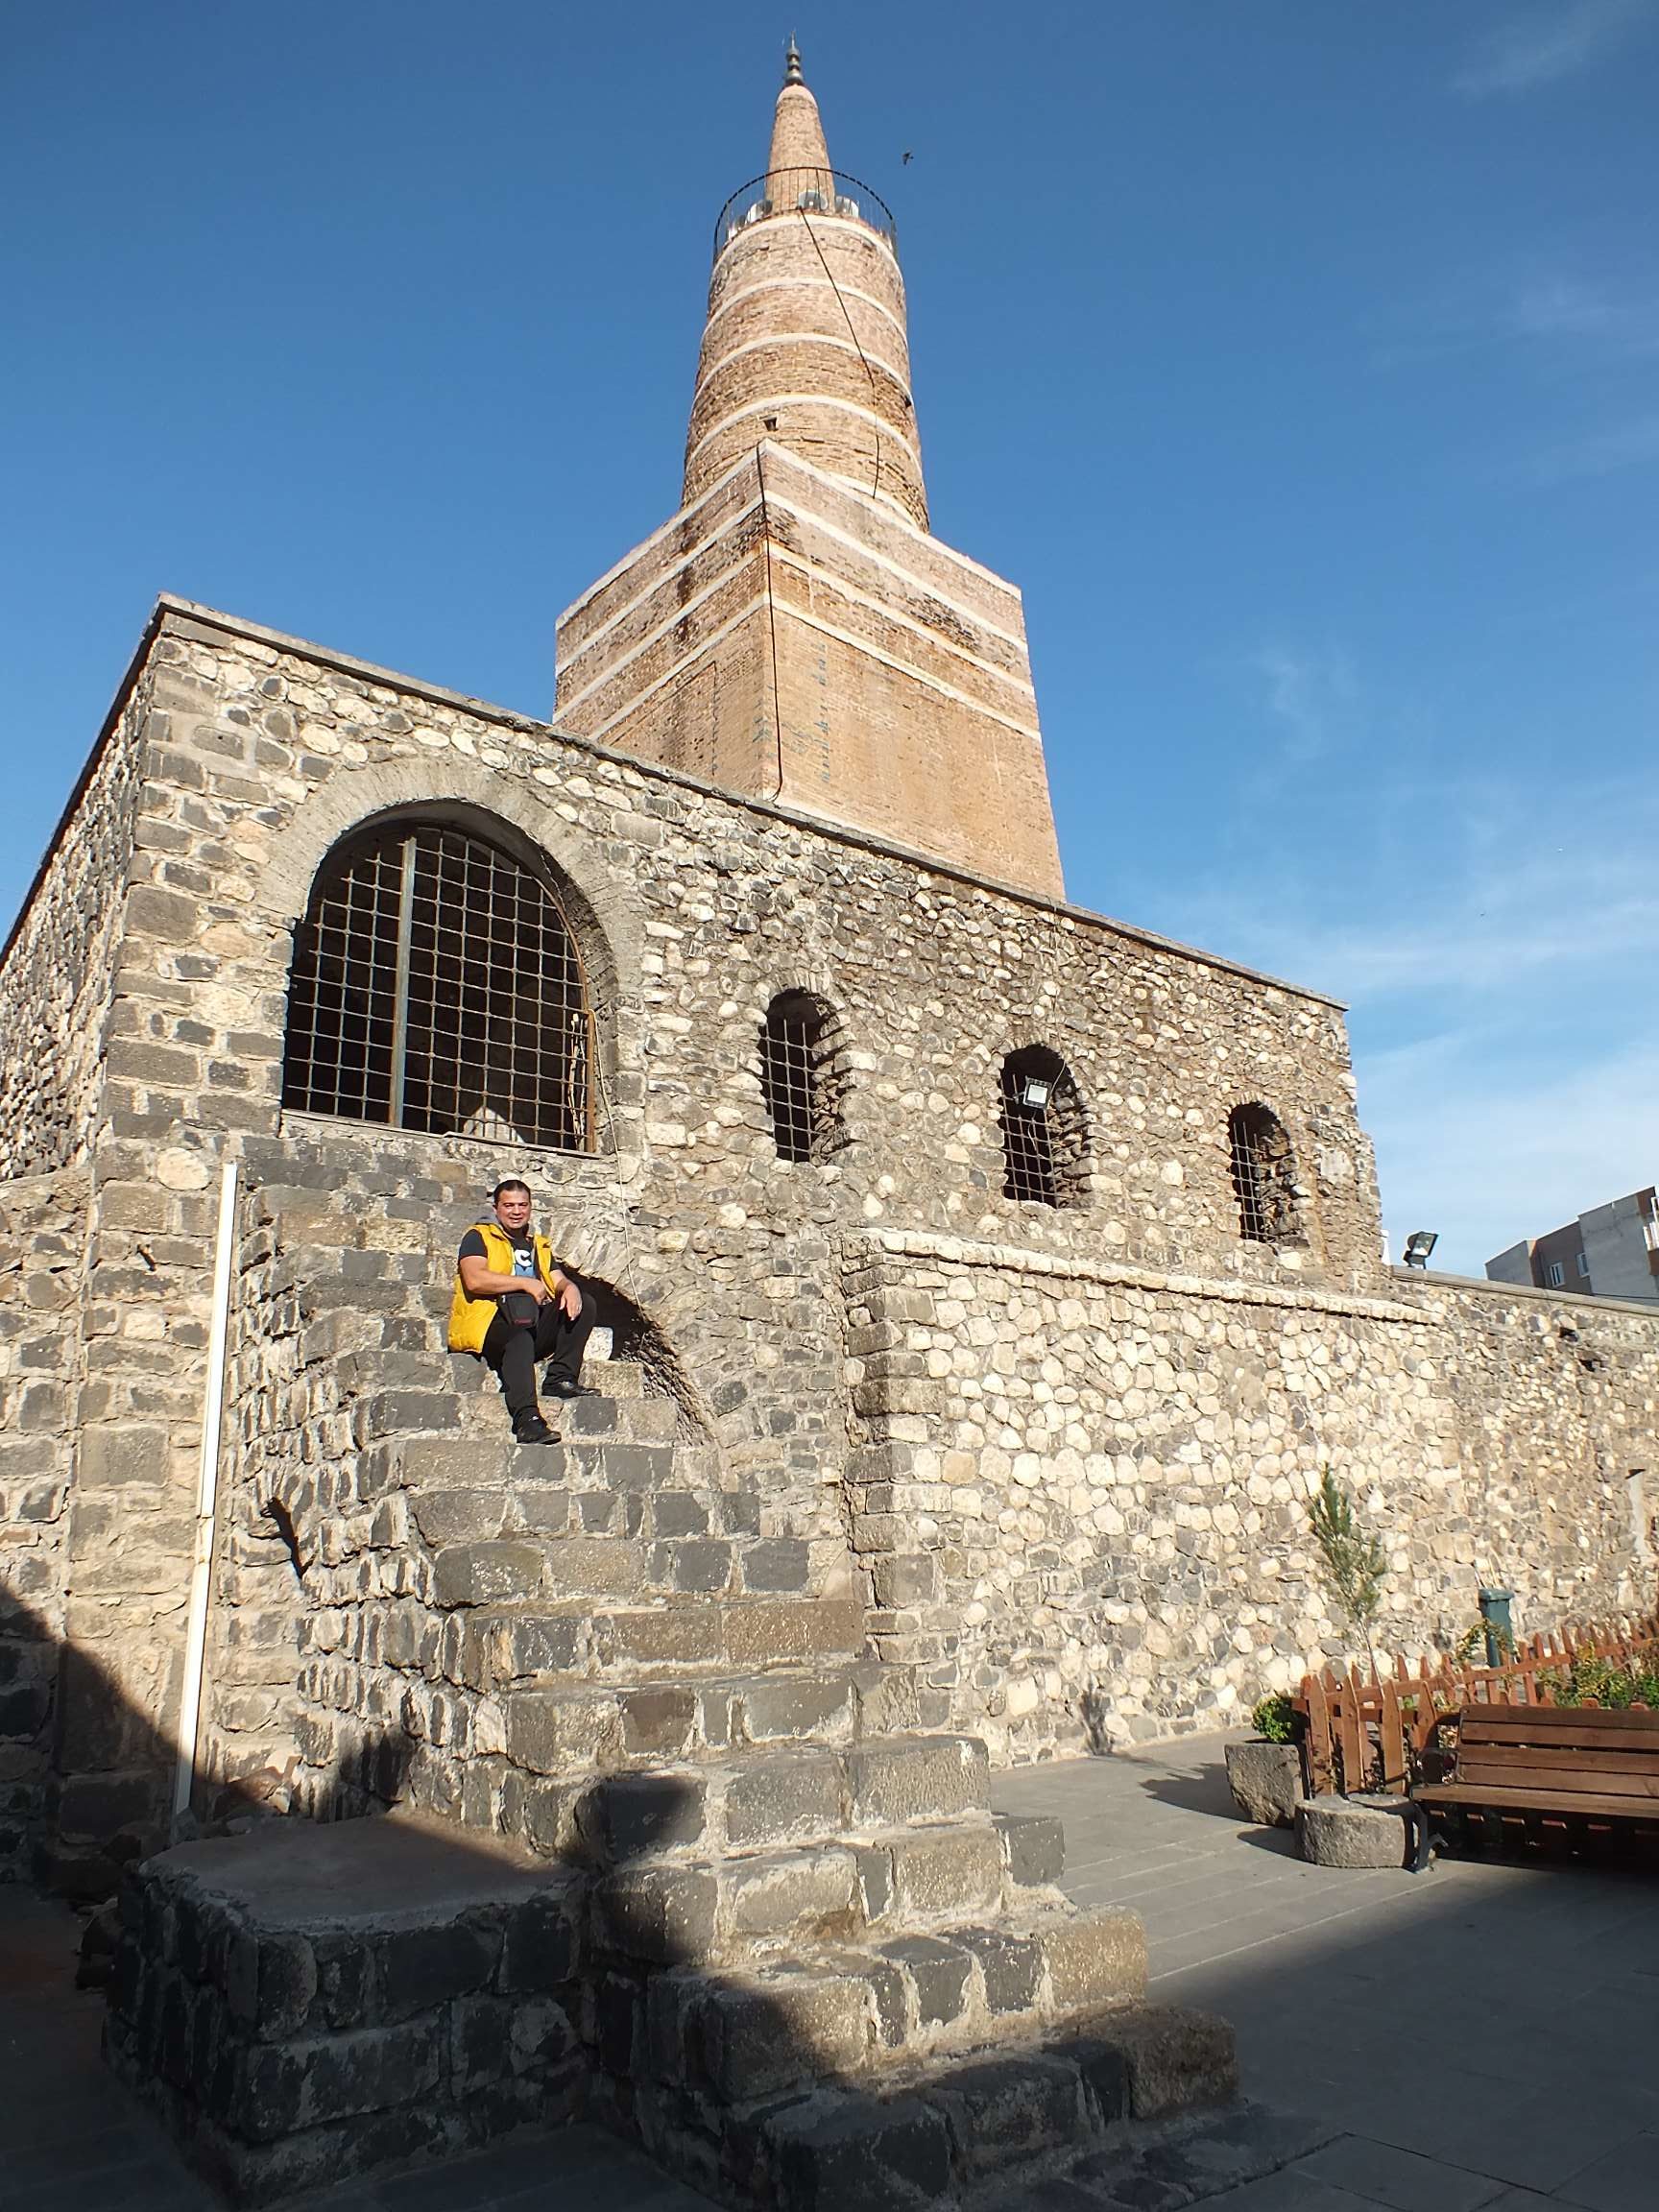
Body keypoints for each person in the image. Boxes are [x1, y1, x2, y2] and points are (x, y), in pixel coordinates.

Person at [448, 1179, 595, 1445]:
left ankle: (560, 1379)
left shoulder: (537, 1244)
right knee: (519, 1336)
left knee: (585, 1303)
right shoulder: (478, 1237)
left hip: (529, 1320)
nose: (516, 1211)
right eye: (509, 1205)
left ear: (530, 1208)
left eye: (522, 1205)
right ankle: (527, 1420)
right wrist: (524, 1283)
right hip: (489, 1323)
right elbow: (474, 1279)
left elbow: (556, 1278)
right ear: (496, 1208)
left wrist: (569, 1286)